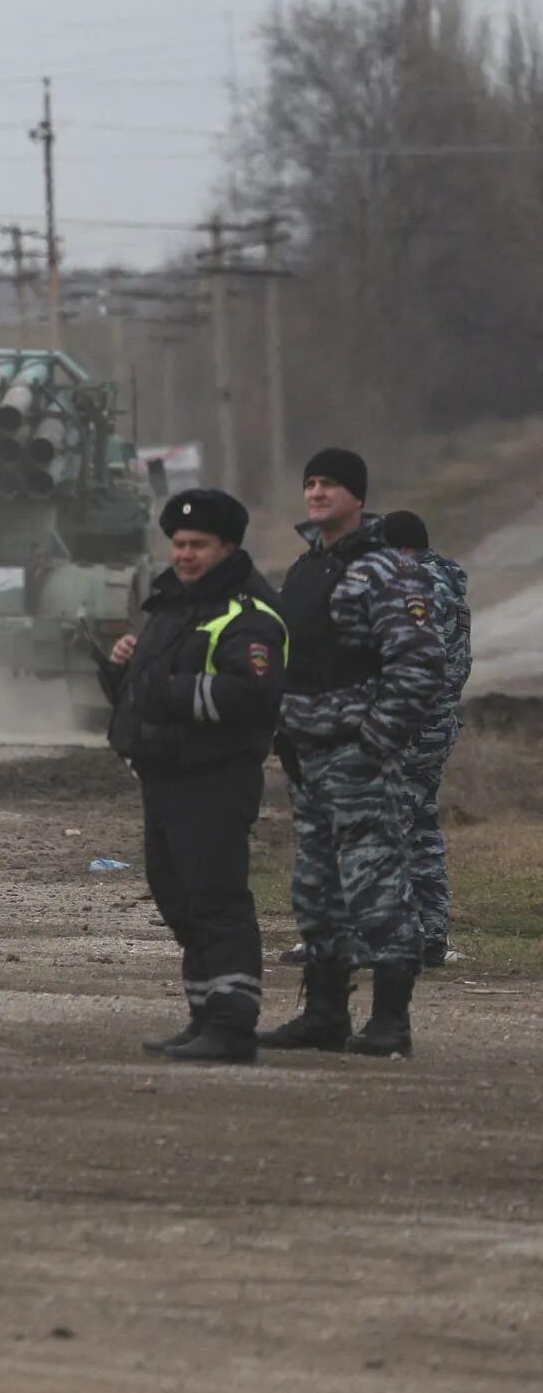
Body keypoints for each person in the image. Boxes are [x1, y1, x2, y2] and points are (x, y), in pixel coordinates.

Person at [258, 449, 446, 1059]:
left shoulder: (386, 570)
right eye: (310, 483)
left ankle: (391, 1022)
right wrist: (282, 733)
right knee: (316, 892)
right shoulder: (306, 571)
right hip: (307, 757)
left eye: (330, 485)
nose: (316, 493)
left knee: (377, 886)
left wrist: (375, 742)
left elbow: (419, 663)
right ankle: (325, 1015)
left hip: (357, 757)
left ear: (357, 497)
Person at [98, 488, 287, 1064]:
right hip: (164, 778)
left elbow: (250, 695)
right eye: (178, 544)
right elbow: (142, 696)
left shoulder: (248, 615)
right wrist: (122, 671)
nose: (184, 555)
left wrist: (168, 690)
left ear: (227, 547)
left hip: (213, 780)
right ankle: (205, 1014)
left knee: (215, 900)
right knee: (177, 898)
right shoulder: (173, 606)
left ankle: (233, 1026)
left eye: (198, 545)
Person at [380, 510, 471, 967]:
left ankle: (393, 937)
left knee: (390, 825)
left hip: (410, 726)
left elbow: (411, 663)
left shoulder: (418, 587)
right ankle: (431, 933)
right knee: (421, 828)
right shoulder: (449, 584)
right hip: (438, 724)